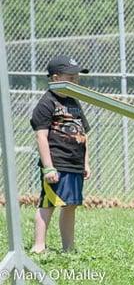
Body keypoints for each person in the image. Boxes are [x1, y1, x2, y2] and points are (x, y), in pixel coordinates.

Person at [29, 55, 91, 253]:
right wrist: (48, 167)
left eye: (77, 78)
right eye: (71, 78)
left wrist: (86, 163)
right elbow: (41, 136)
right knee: (48, 204)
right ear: (55, 78)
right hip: (57, 163)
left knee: (70, 205)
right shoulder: (47, 102)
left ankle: (68, 247)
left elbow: (83, 134)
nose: (75, 81)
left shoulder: (74, 102)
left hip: (74, 163)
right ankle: (39, 246)